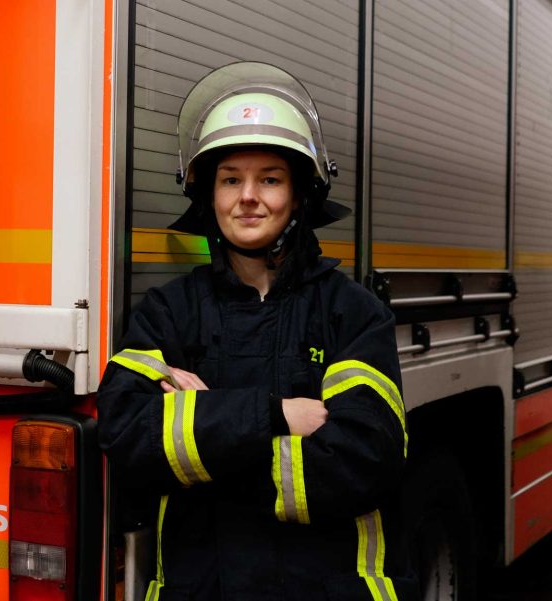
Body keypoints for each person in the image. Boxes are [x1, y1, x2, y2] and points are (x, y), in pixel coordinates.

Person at [98, 62, 415, 601]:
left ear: (299, 195)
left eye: (269, 178)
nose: (248, 196)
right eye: (230, 179)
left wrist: (207, 436)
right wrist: (281, 415)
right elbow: (128, 436)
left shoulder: (353, 313)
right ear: (209, 197)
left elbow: (367, 460)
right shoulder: (168, 312)